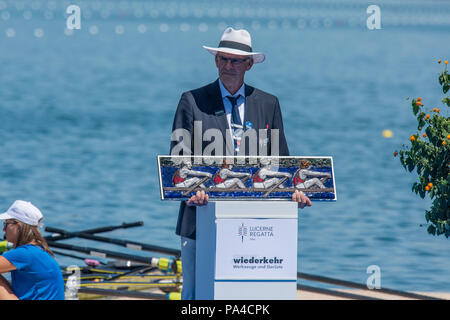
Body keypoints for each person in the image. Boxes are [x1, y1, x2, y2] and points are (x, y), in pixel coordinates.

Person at [170, 27, 312, 300]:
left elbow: (281, 164)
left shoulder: (268, 103)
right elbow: (178, 161)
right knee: (195, 296)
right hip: (198, 222)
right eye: (223, 59)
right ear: (215, 61)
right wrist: (190, 192)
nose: (228, 66)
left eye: (236, 61)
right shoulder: (192, 101)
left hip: (253, 225)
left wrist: (294, 191)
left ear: (249, 65)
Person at [0, 200, 65, 300]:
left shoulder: (24, 253)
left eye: (6, 224)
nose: (3, 230)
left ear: (18, 226)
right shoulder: (39, 250)